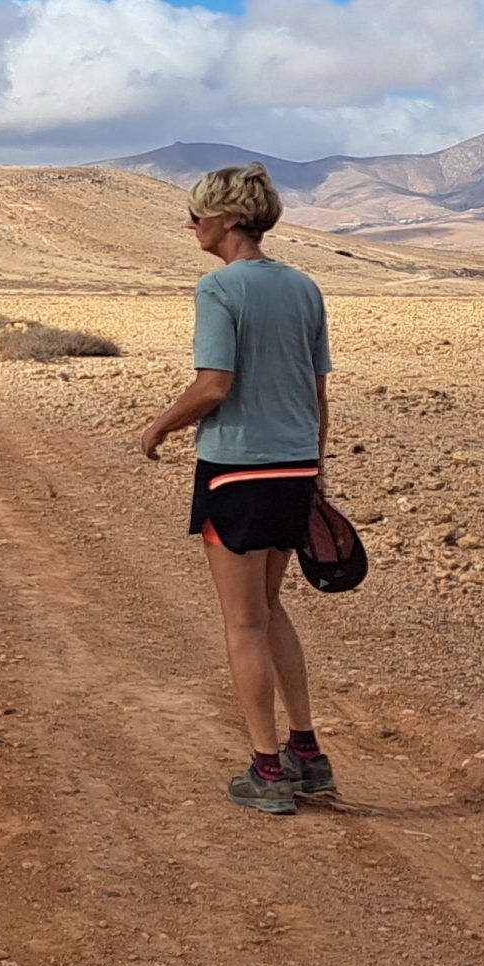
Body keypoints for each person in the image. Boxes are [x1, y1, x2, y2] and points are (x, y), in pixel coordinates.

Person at [136, 162, 339, 814]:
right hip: (294, 470)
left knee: (243, 622)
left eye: (196, 215)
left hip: (237, 472)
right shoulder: (303, 287)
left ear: (226, 221)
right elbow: (316, 393)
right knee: (272, 609)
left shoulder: (219, 289)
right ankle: (309, 755)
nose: (190, 226)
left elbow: (214, 385)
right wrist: (315, 469)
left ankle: (267, 771)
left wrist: (157, 427)